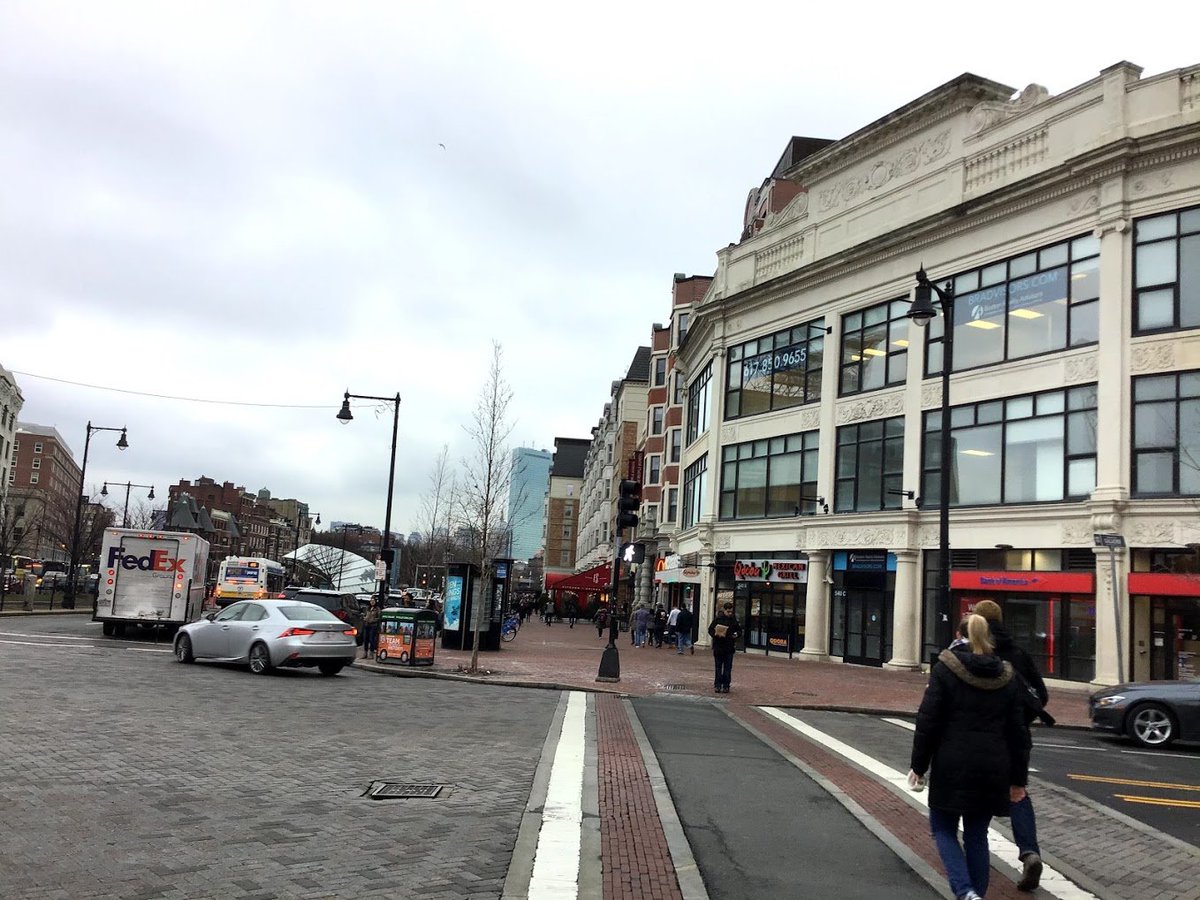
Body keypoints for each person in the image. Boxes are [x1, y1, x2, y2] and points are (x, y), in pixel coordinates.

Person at [910, 614, 1029, 900]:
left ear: (961, 634)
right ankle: (977, 894)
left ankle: (965, 892)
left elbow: (928, 721)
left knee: (942, 828)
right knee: (977, 834)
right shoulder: (1007, 675)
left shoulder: (945, 668)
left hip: (952, 763)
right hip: (993, 765)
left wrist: (919, 766)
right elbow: (1019, 732)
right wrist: (1018, 779)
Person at [973, 599, 1051, 892]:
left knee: (975, 797)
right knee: (1017, 793)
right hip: (1016, 737)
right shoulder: (1018, 652)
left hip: (983, 737)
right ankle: (1029, 852)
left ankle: (972, 862)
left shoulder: (975, 652)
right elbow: (1040, 695)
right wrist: (1021, 717)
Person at [707, 601, 742, 693]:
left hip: (729, 647)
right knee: (718, 667)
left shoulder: (733, 620)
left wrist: (736, 634)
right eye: (728, 611)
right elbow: (710, 629)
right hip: (719, 647)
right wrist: (716, 634)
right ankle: (717, 685)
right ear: (724, 610)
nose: (730, 613)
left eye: (731, 612)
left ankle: (726, 685)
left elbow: (739, 631)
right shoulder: (718, 619)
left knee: (728, 668)